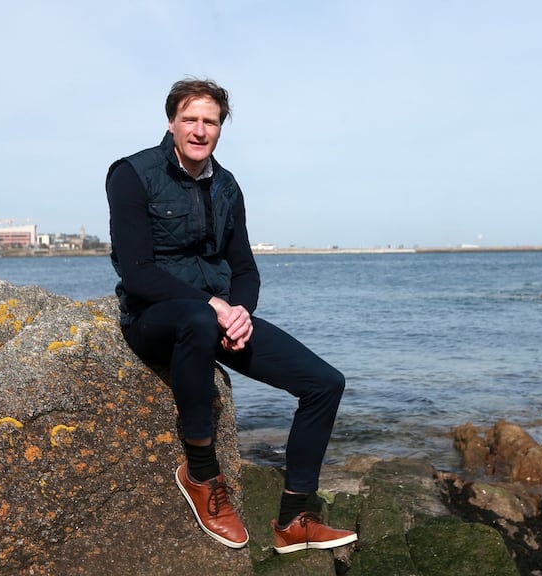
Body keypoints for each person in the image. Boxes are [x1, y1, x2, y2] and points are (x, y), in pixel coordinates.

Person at [106, 78, 357, 554]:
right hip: (155, 319)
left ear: (221, 128)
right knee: (197, 320)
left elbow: (244, 268)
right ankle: (201, 476)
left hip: (219, 319)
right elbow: (138, 273)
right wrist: (212, 305)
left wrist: (241, 311)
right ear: (172, 123)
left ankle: (294, 520)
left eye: (211, 121)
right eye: (191, 119)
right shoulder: (132, 174)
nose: (200, 130)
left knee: (326, 382)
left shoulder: (227, 186)